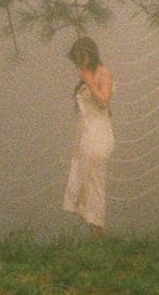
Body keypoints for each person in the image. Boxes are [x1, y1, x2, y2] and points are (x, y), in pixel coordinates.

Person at [62, 36, 114, 235]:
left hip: (99, 133)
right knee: (85, 179)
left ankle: (98, 231)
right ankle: (93, 230)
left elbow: (104, 101)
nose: (79, 59)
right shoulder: (85, 73)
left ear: (90, 54)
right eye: (76, 56)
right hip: (85, 132)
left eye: (81, 55)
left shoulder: (103, 72)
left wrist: (89, 82)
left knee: (95, 180)